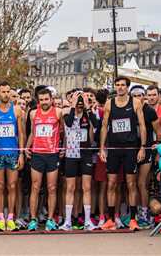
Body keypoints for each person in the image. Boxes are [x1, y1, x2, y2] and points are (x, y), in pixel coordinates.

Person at [99, 77, 147, 231]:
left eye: (123, 85)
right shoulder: (109, 103)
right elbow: (105, 126)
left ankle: (133, 219)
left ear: (127, 87)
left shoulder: (135, 103)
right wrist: (102, 147)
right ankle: (111, 219)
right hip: (114, 148)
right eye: (117, 85)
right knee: (111, 183)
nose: (120, 88)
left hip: (130, 148)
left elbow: (142, 126)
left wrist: (143, 147)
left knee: (131, 184)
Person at [59, 91, 99, 231]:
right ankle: (68, 221)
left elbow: (96, 124)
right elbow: (69, 123)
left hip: (85, 154)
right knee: (70, 188)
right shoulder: (67, 112)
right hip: (71, 154)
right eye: (78, 102)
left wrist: (88, 108)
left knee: (86, 187)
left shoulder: (88, 113)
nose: (80, 104)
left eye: (82, 102)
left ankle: (88, 221)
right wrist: (72, 105)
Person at [0, 82, 24, 232]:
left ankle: (10, 217)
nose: (6, 94)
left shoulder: (17, 110)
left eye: (8, 91)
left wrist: (21, 153)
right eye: (3, 92)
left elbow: (21, 133)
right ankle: (0, 218)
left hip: (12, 153)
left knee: (12, 186)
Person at [26, 88, 63, 231]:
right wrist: (26, 149)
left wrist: (63, 148)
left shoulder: (58, 112)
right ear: (38, 100)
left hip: (52, 154)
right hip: (37, 154)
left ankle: (50, 219)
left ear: (51, 99)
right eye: (41, 100)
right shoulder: (34, 113)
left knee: (52, 188)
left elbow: (64, 132)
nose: (44, 102)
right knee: (35, 187)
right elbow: (33, 133)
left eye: (46, 99)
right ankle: (33, 219)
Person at [130, 85, 161, 228]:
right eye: (134, 95)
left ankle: (144, 214)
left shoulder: (149, 111)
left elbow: (159, 132)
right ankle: (133, 213)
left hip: (147, 150)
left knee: (142, 183)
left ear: (144, 96)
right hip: (130, 150)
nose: (137, 98)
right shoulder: (128, 109)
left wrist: (157, 151)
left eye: (140, 95)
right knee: (131, 184)